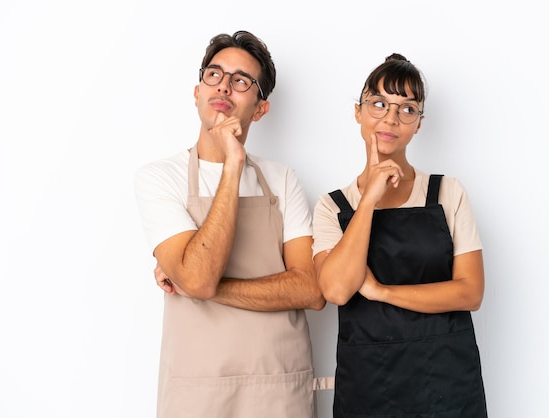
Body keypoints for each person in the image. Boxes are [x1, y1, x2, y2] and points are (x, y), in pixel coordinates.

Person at [134, 30, 326, 418]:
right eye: (214, 74)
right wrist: (232, 166)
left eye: (241, 81)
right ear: (197, 91)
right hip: (197, 392)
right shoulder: (160, 177)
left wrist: (192, 284)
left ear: (260, 109)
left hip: (280, 387)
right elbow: (200, 277)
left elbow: (311, 290)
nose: (224, 85)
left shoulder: (282, 179)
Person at [312, 53, 488, 417]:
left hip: (446, 381)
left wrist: (382, 292)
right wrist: (369, 200)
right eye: (379, 104)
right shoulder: (332, 207)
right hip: (368, 384)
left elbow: (470, 292)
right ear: (358, 112)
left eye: (407, 109)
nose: (391, 118)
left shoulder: (447, 192)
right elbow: (336, 289)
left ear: (419, 124)